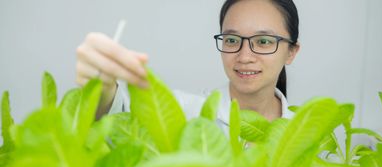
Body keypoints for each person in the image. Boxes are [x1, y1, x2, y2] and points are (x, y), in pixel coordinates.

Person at [75, 0, 300, 135]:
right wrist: (102, 90)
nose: (245, 56)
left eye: (263, 42)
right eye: (232, 40)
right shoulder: (186, 113)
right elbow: (118, 120)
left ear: (291, 52)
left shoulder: (310, 134)